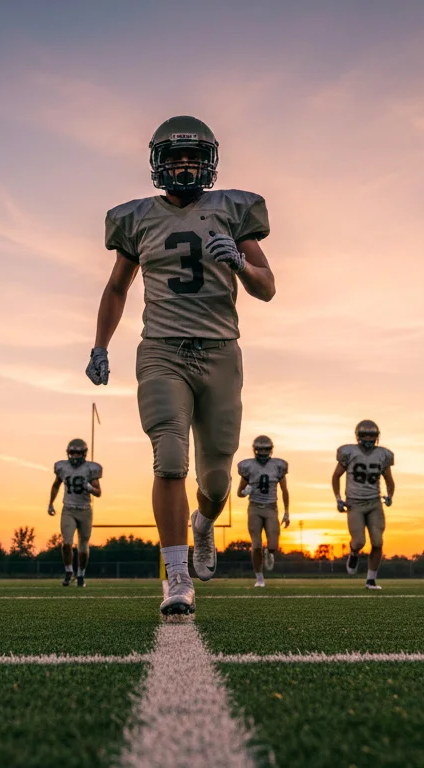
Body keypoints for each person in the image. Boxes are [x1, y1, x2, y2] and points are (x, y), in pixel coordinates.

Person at [84, 115, 277, 617]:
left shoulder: (234, 210)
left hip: (220, 352)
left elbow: (267, 287)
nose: (185, 167)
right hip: (162, 349)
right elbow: (117, 287)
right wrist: (100, 345)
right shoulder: (137, 217)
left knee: (214, 482)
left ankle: (204, 524)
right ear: (158, 164)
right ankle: (176, 578)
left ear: (209, 163)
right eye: (175, 158)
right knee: (169, 456)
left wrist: (237, 258)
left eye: (193, 158)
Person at [331, 420, 395, 590]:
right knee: (359, 541)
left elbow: (389, 480)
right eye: (365, 435)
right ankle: (353, 553)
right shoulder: (349, 452)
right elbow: (336, 476)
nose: (369, 438)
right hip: (355, 503)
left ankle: (371, 580)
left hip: (374, 502)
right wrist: (338, 498)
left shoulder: (383, 455)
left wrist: (390, 496)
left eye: (372, 435)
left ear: (377, 437)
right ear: (358, 436)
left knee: (377, 542)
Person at [48, 438, 103, 587]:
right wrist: (51, 503)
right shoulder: (63, 467)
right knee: (66, 543)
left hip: (85, 510)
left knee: (83, 546)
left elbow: (98, 493)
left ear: (84, 454)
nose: (75, 456)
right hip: (68, 508)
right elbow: (55, 486)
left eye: (78, 453)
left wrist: (90, 488)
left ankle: (81, 575)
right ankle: (68, 572)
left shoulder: (90, 469)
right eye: (72, 452)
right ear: (68, 453)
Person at [236, 435, 289, 587]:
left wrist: (286, 512)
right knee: (256, 544)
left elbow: (284, 490)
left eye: (266, 449)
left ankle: (269, 553)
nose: (263, 452)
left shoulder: (278, 466)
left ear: (271, 450)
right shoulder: (249, 466)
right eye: (260, 449)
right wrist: (245, 491)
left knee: (273, 546)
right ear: (255, 450)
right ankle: (259, 578)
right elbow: (239, 492)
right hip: (254, 507)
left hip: (271, 508)